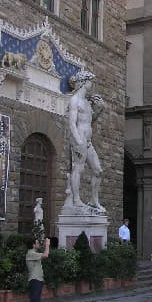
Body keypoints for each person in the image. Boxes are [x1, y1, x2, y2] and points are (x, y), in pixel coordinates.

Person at [67, 70, 105, 212]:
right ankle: (76, 200)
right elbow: (72, 123)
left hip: (88, 141)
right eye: (90, 81)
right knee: (78, 168)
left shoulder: (87, 102)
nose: (92, 84)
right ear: (83, 82)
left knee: (98, 171)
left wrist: (100, 109)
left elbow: (91, 120)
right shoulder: (75, 100)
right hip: (80, 138)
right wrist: (78, 140)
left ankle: (94, 201)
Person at [26, 237, 50, 302]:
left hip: (37, 280)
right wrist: (47, 244)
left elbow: (44, 254)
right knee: (35, 301)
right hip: (35, 280)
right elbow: (45, 255)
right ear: (33, 245)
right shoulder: (31, 253)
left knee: (36, 300)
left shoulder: (34, 253)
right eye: (37, 243)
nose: (39, 244)